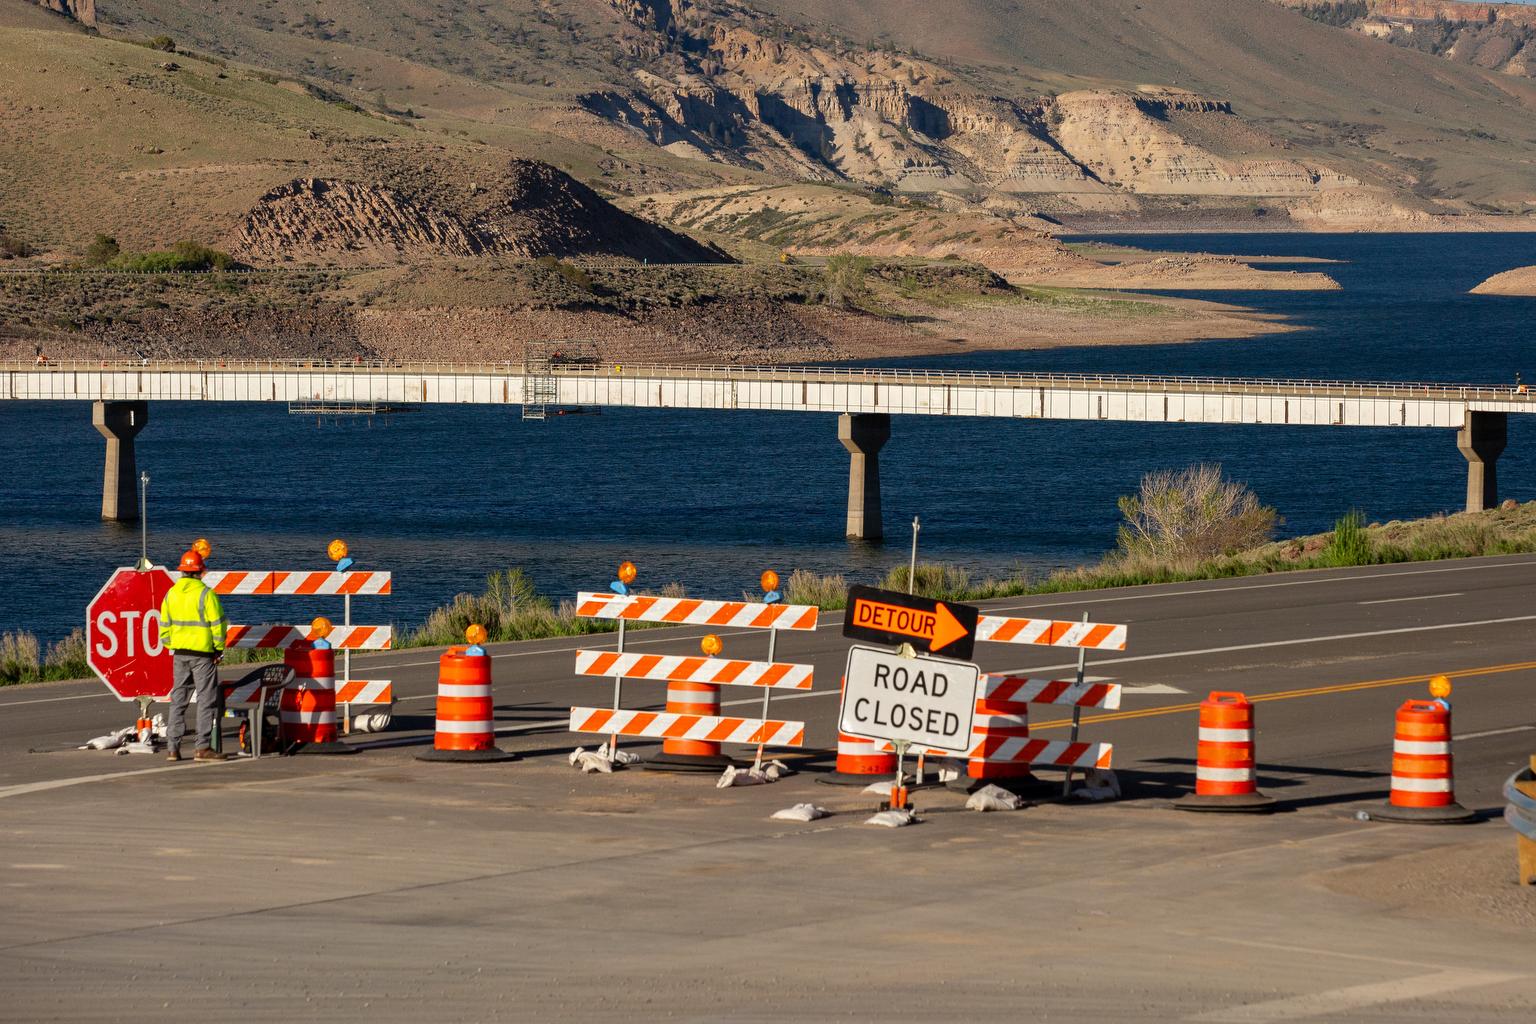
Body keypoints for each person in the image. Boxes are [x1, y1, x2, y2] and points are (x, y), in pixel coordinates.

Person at [159, 548, 230, 761]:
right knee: (206, 701)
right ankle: (202, 748)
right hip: (203, 655)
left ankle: (173, 748)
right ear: (200, 572)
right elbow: (218, 625)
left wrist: (173, 644)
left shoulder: (171, 594)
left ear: (182, 571)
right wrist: (218, 649)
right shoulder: (206, 594)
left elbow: (164, 627)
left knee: (178, 700)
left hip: (179, 654)